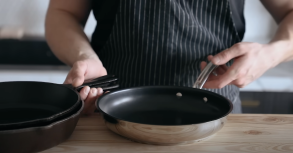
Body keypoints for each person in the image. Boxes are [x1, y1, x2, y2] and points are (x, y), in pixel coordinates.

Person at [45, 0, 293, 115]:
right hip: (111, 113)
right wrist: (83, 56)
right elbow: (63, 12)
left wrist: (271, 54)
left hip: (217, 117)